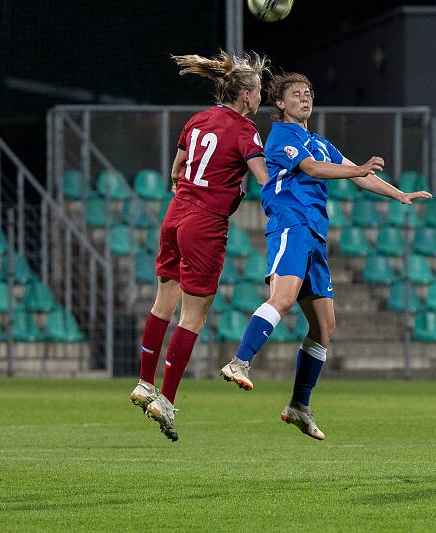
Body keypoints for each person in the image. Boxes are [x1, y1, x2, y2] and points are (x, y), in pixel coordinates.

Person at [219, 72, 432, 440]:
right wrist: (358, 168)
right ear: (281, 104)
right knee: (283, 297)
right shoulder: (282, 136)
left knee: (325, 328)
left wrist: (399, 195)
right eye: (296, 94)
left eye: (309, 93)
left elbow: (358, 177)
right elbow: (314, 170)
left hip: (315, 235)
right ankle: (240, 361)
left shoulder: (318, 141)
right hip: (291, 224)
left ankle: (299, 406)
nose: (305, 98)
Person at [128, 50, 271, 442]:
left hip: (174, 216)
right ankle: (166, 399)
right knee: (193, 316)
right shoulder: (245, 130)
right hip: (205, 224)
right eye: (258, 91)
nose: (260, 98)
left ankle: (144, 382)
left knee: (162, 304)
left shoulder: (197, 120)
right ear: (245, 96)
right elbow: (263, 177)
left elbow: (175, 171)